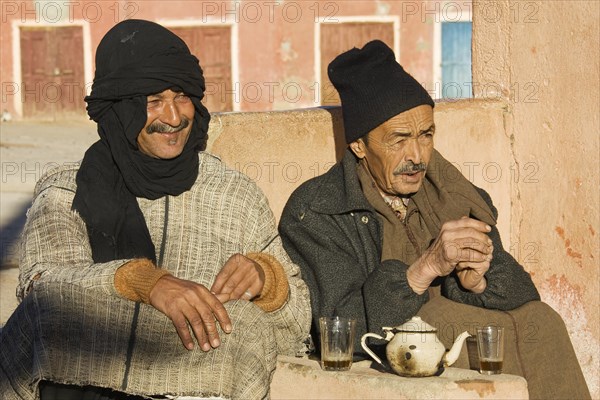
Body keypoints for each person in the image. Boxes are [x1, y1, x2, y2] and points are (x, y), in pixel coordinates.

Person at [0, 19, 310, 400]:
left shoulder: (235, 196)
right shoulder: (67, 191)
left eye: (182, 97)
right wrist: (144, 283)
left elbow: (298, 328)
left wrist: (267, 280)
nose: (174, 117)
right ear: (119, 110)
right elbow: (41, 291)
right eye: (152, 102)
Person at [279, 40, 590, 399]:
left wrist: (478, 283)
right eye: (398, 140)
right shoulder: (319, 209)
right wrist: (422, 271)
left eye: (426, 135)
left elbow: (524, 292)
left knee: (543, 321)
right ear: (360, 146)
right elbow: (338, 328)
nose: (417, 156)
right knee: (449, 319)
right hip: (397, 349)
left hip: (457, 335)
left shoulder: (453, 194)